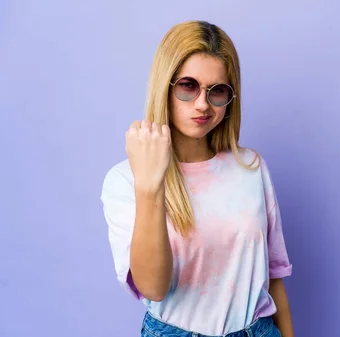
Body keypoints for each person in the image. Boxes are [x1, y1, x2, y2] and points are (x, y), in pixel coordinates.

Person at [100, 20, 294, 337]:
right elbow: (153, 287)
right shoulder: (124, 180)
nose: (203, 104)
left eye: (217, 90)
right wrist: (150, 184)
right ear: (165, 85)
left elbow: (273, 278)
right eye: (188, 86)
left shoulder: (251, 167)